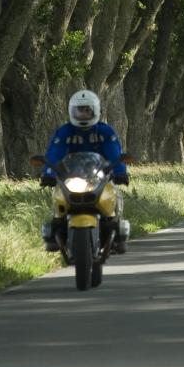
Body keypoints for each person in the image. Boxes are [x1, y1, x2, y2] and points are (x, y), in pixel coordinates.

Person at [39, 89, 130, 252]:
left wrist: (120, 172)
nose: (82, 114)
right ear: (71, 111)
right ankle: (55, 230)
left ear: (95, 111)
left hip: (99, 176)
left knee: (113, 196)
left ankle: (117, 231)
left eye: (87, 110)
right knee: (58, 198)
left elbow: (114, 152)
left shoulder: (105, 132)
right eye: (79, 110)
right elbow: (54, 153)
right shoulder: (64, 132)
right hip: (71, 177)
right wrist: (48, 174)